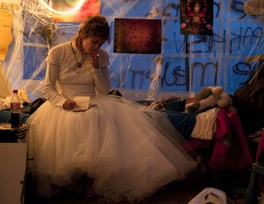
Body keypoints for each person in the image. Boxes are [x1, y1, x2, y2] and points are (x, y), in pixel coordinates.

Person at [27, 15, 197, 203]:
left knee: (97, 122)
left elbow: (103, 91)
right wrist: (61, 101)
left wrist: (96, 68)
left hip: (92, 102)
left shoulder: (101, 56)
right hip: (64, 104)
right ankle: (69, 186)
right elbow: (48, 87)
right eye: (94, 42)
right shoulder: (58, 52)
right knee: (72, 129)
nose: (96, 47)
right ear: (83, 34)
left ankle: (91, 185)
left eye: (100, 44)